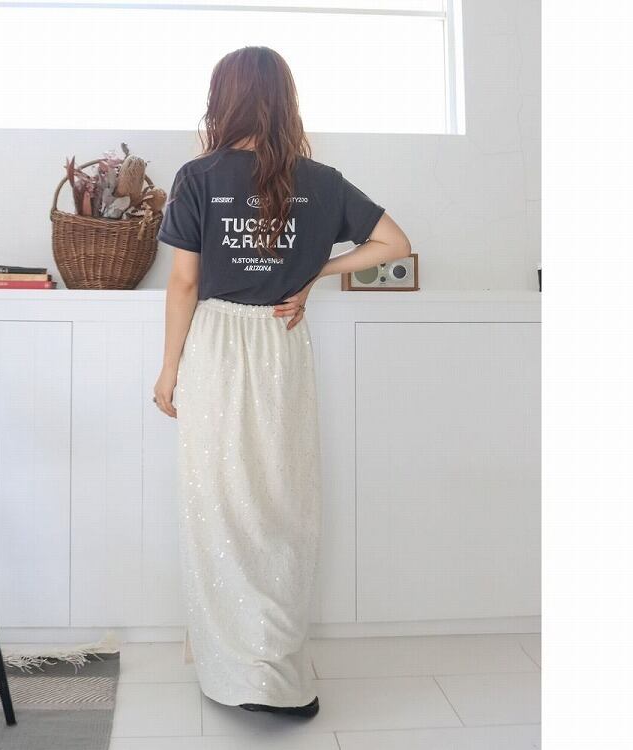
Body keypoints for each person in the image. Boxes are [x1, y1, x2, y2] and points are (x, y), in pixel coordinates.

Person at [152, 46, 411, 718]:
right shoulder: (320, 181)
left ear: (224, 99)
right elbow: (395, 244)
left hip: (216, 344)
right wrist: (313, 272)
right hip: (282, 345)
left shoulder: (199, 176)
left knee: (220, 503)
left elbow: (183, 282)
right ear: (284, 101)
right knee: (283, 504)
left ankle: (235, 669)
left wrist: (170, 368)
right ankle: (278, 672)